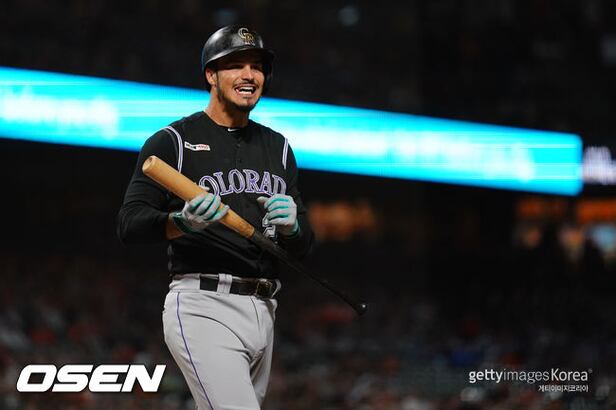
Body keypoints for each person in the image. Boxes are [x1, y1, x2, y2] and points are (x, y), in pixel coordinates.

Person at [117, 25, 314, 410]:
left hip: (265, 307)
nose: (249, 75)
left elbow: (304, 246)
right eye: (235, 65)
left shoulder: (279, 147)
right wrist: (180, 222)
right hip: (204, 305)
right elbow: (129, 223)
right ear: (211, 75)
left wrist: (294, 227)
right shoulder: (172, 141)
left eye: (256, 66)